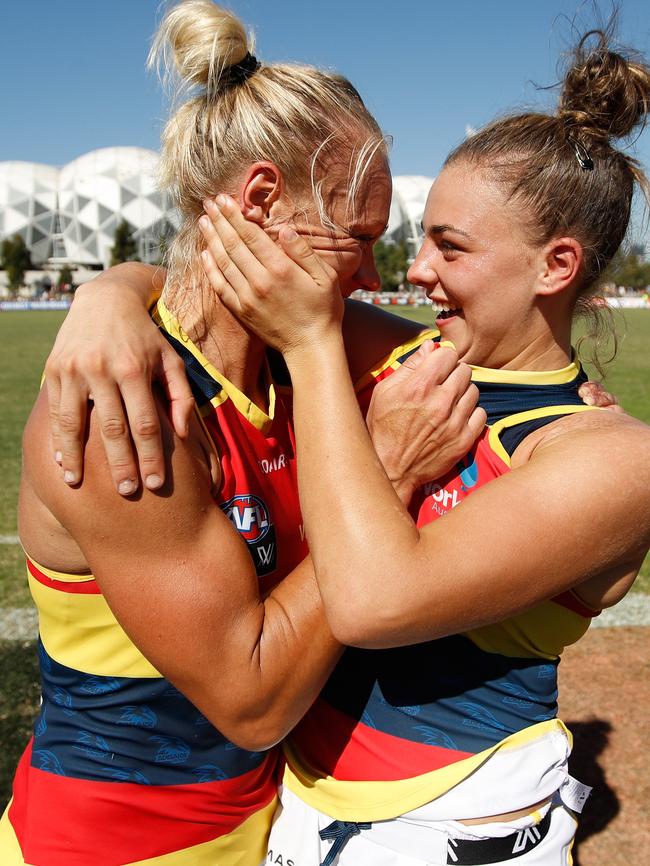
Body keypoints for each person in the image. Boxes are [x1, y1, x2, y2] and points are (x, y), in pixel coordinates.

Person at [24, 13, 642, 866]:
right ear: (261, 202)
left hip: (289, 829)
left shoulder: (307, 366)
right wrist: (106, 300)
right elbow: (253, 701)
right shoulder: (127, 409)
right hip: (117, 848)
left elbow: (516, 377)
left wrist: (116, 294)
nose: (376, 275)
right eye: (358, 239)